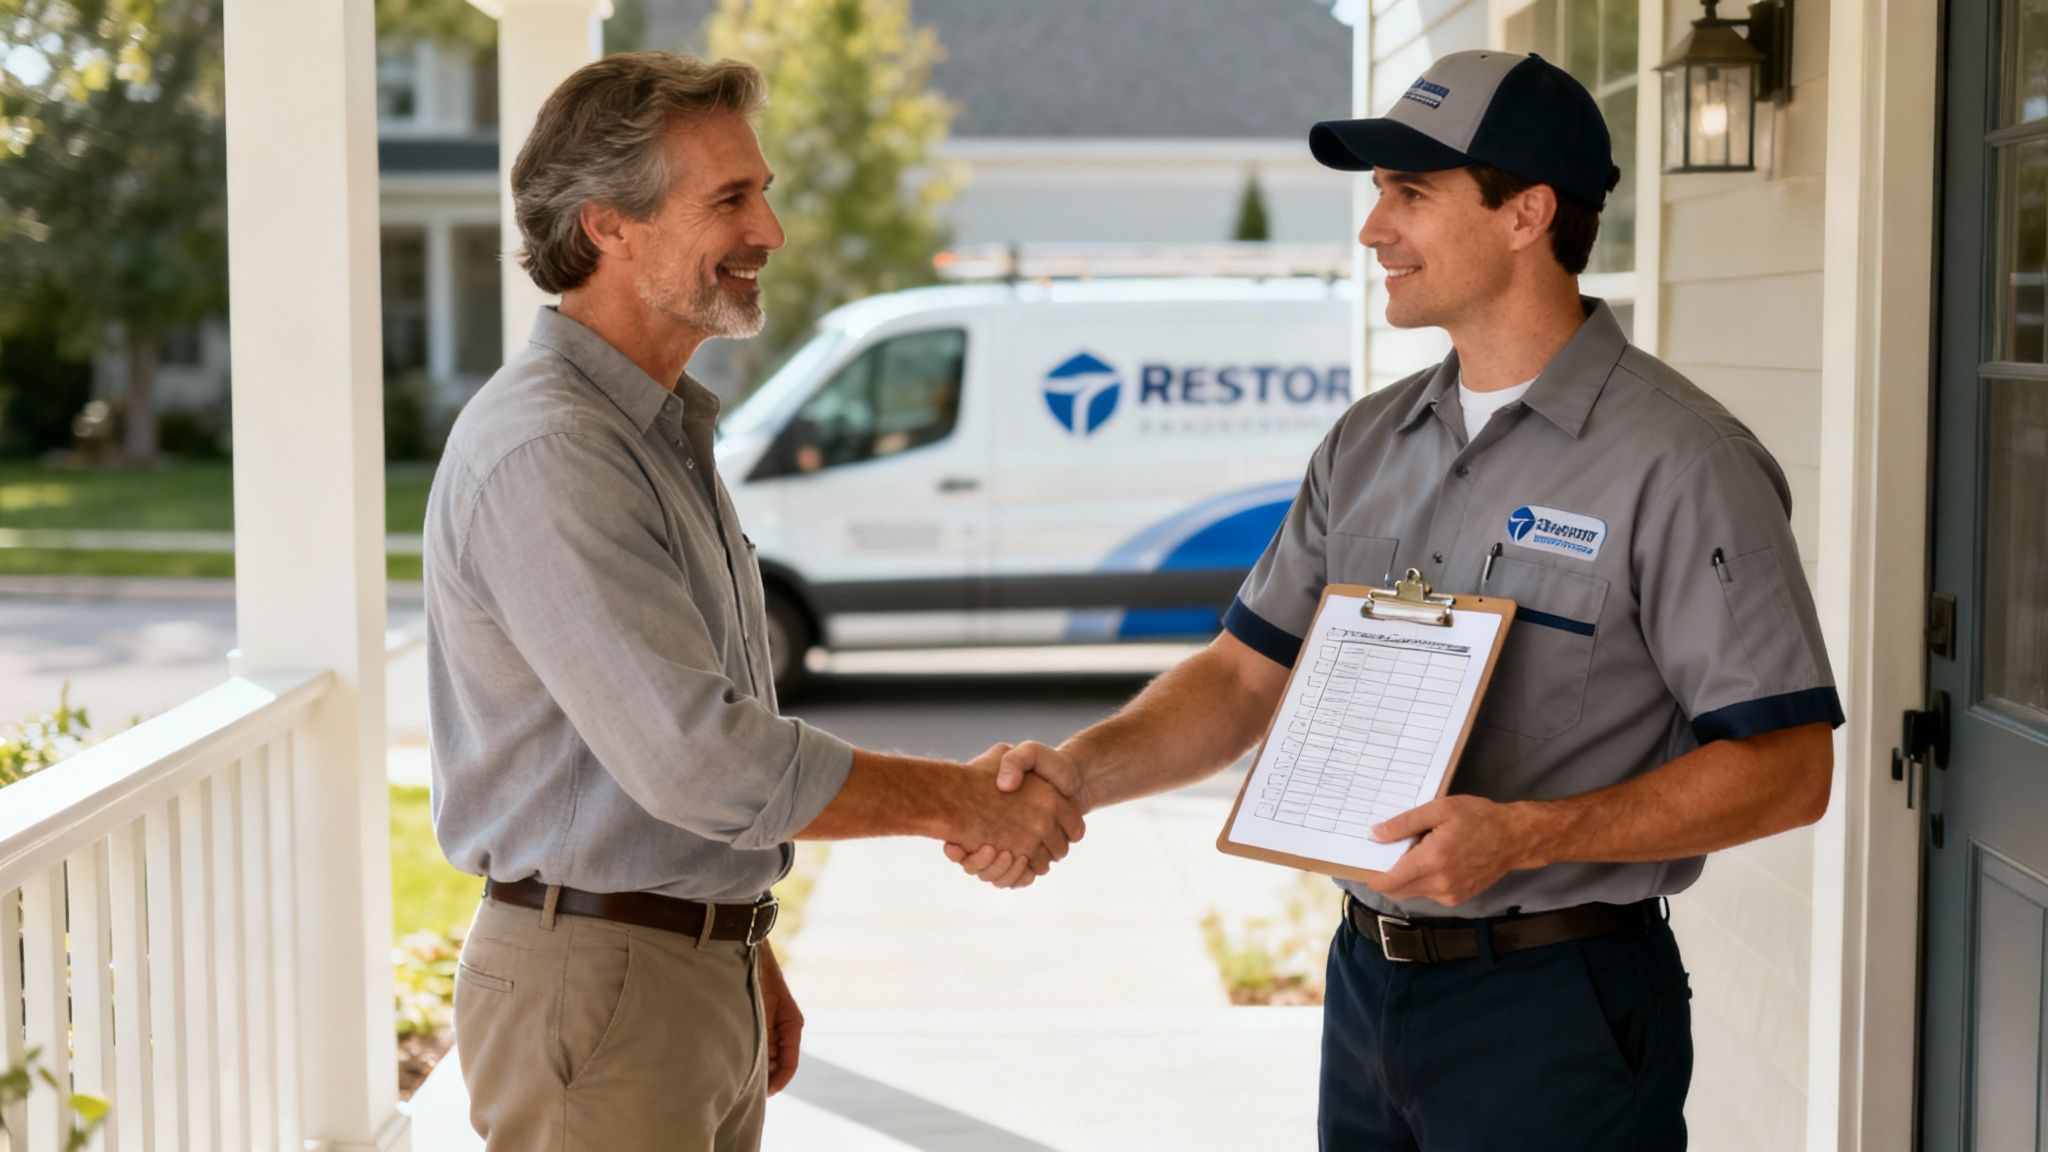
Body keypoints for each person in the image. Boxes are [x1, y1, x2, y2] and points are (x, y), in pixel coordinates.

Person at [948, 50, 1841, 1150]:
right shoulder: (1367, 442)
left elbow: (1788, 767)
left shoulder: (1679, 460)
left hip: (1557, 1006)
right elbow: (1239, 676)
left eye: (1409, 193)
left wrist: (1519, 837)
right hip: (1367, 988)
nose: (1372, 228)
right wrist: (1076, 774)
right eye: (1377, 193)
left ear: (1526, 214)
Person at [423, 53, 1082, 1152]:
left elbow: (654, 759)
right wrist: (960, 803)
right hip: (606, 992)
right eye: (729, 199)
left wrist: (731, 938)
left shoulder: (657, 432)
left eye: (761, 191)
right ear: (608, 227)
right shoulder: (554, 452)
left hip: (670, 973)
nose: (769, 230)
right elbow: (703, 761)